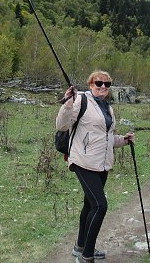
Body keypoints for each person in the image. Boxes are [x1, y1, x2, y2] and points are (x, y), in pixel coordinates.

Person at [56, 70, 134, 263]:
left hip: (102, 164)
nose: (103, 87)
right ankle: (87, 256)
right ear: (91, 84)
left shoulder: (107, 107)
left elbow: (106, 138)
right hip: (83, 161)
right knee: (100, 206)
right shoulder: (81, 100)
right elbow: (62, 125)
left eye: (107, 84)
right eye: (99, 83)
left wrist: (123, 140)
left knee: (90, 205)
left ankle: (80, 246)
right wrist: (67, 103)